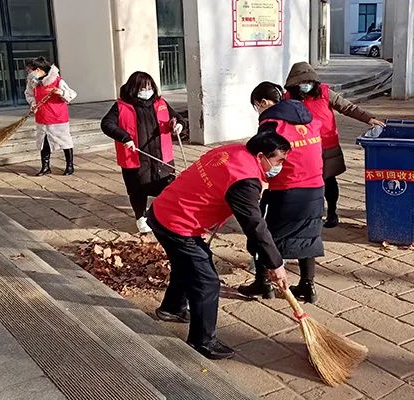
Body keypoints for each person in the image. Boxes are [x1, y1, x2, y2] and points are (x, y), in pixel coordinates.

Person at [146, 131, 290, 360]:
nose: (281, 166)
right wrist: (276, 263)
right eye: (279, 160)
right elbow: (255, 226)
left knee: (186, 265)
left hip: (164, 210)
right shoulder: (245, 180)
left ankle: (171, 309)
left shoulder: (233, 150)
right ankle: (202, 341)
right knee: (206, 282)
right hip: (178, 224)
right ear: (261, 156)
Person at [238, 82, 324, 304]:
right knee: (308, 234)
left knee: (263, 235)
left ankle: (263, 283)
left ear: (263, 102)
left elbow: (259, 156)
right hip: (315, 186)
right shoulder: (308, 118)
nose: (258, 110)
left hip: (287, 189)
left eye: (257, 105)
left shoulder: (271, 124)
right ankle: (308, 285)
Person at [284, 62, 385, 228]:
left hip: (327, 145)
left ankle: (332, 212)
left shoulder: (324, 92)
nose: (306, 85)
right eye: (301, 83)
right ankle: (311, 213)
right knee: (307, 182)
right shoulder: (287, 98)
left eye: (309, 82)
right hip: (302, 147)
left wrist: (369, 118)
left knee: (329, 179)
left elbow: (347, 107)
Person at [101, 71, 186, 233]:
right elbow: (107, 124)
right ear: (133, 89)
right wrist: (124, 138)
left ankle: (166, 215)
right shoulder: (121, 106)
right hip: (136, 156)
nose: (147, 91)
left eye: (149, 88)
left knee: (168, 187)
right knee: (137, 190)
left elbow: (177, 118)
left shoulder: (160, 103)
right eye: (142, 88)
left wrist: (178, 125)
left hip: (161, 156)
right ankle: (140, 217)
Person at [25, 57, 77, 176]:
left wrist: (61, 92)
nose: (29, 73)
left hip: (57, 117)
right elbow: (29, 94)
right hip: (42, 116)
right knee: (43, 142)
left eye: (30, 70)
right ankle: (45, 167)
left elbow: (72, 94)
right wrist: (33, 103)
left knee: (65, 141)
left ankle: (69, 166)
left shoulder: (57, 80)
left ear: (38, 69)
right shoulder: (33, 82)